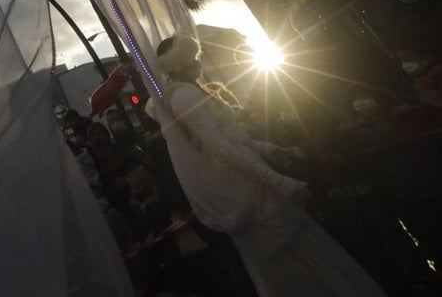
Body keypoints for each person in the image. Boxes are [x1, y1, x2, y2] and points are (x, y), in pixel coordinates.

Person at [153, 34, 385, 297]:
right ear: (180, 65)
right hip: (247, 187)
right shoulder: (184, 95)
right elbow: (218, 147)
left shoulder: (192, 90)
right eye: (192, 59)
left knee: (307, 258)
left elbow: (234, 139)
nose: (198, 63)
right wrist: (279, 182)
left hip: (252, 177)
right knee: (296, 266)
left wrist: (271, 150)